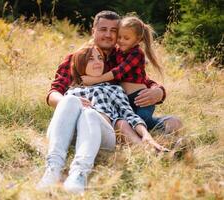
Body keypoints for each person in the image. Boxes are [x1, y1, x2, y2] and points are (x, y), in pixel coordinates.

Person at [37, 46, 168, 194]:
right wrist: (71, 100)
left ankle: (79, 173)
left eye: (100, 58)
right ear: (80, 64)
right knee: (68, 100)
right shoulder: (72, 91)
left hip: (103, 135)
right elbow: (58, 103)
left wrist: (145, 135)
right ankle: (53, 168)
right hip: (71, 135)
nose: (98, 62)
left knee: (90, 114)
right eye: (91, 59)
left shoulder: (113, 89)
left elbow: (129, 115)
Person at [46, 10, 182, 144]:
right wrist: (70, 102)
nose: (108, 35)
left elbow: (142, 80)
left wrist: (158, 91)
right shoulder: (76, 59)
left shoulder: (122, 56)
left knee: (174, 123)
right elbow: (54, 93)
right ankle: (155, 143)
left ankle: (164, 142)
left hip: (130, 115)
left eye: (114, 31)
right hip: (96, 118)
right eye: (103, 29)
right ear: (93, 31)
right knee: (122, 125)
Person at [81, 15, 169, 131]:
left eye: (126, 38)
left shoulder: (137, 53)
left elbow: (120, 71)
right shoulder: (116, 52)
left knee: (143, 119)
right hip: (124, 99)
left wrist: (159, 91)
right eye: (119, 37)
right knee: (130, 121)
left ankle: (167, 126)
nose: (121, 41)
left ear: (138, 39)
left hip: (140, 96)